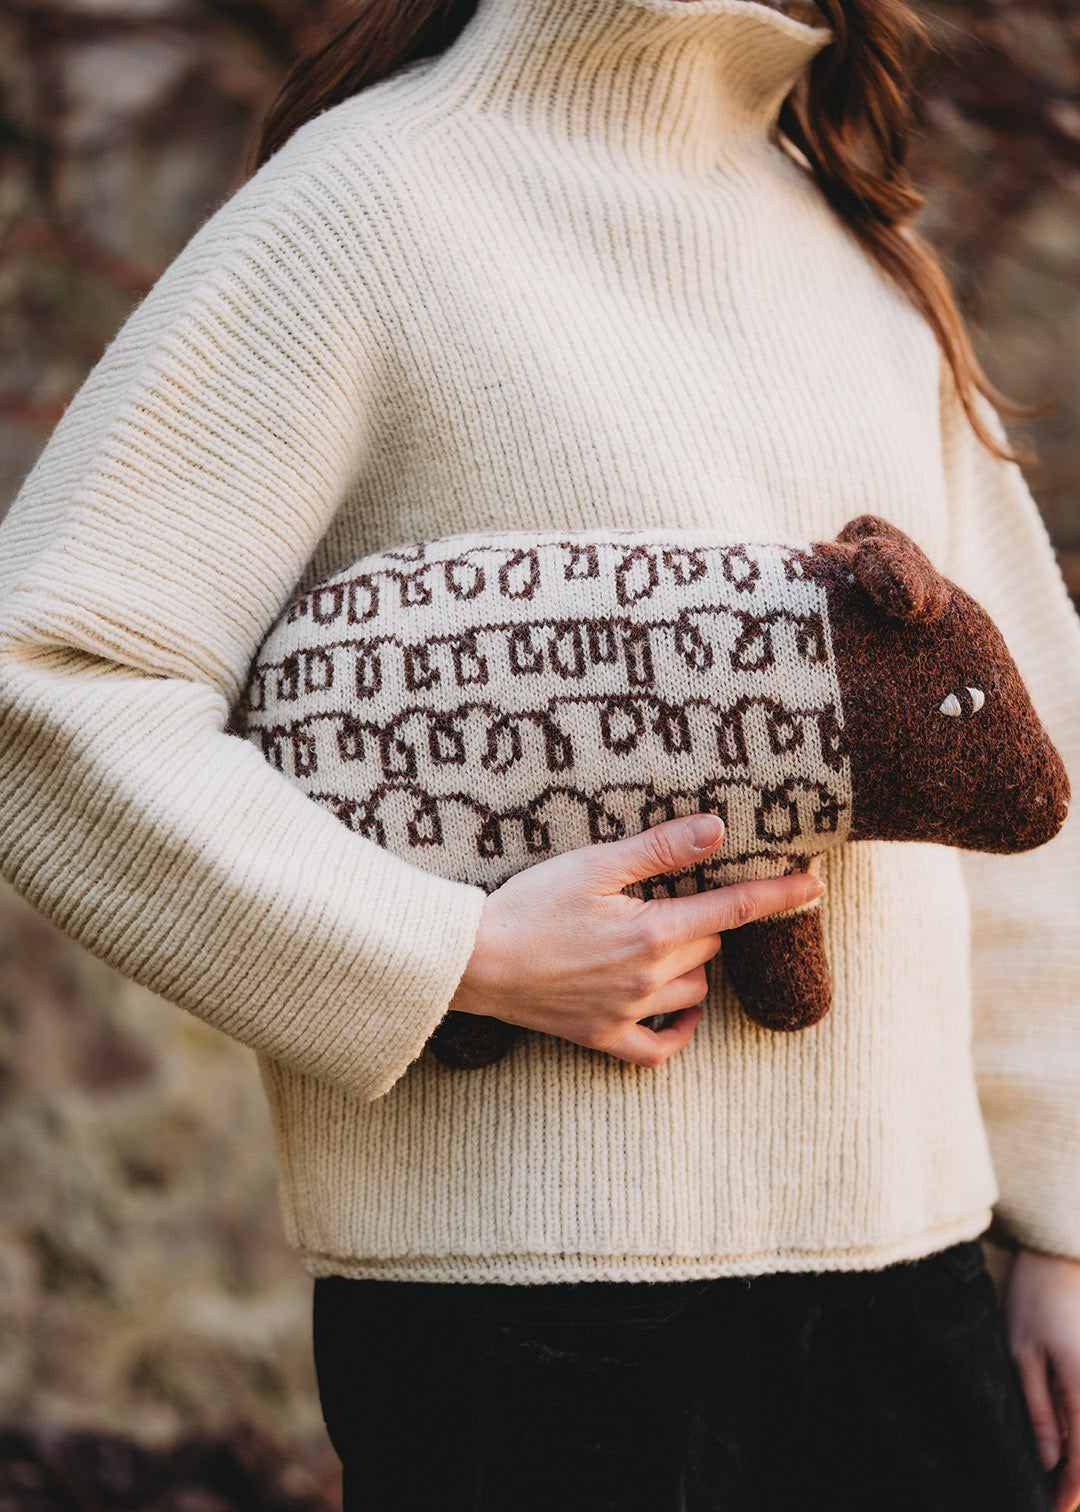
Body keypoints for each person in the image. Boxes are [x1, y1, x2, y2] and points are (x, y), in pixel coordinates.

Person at [0, 0, 1078, 1507]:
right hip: (523, 1325)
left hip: (918, 1294)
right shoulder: (365, 204)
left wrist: (1064, 1222)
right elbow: (48, 683)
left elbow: (1038, 779)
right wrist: (453, 958)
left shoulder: (859, 255)